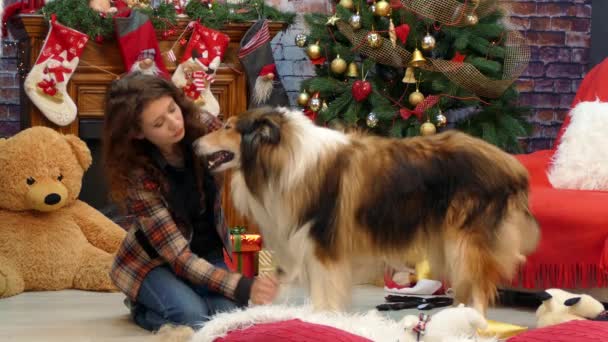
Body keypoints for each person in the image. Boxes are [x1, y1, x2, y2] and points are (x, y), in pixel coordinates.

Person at [102, 72, 279, 331]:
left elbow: (246, 149)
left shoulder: (203, 125)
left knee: (230, 317)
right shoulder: (136, 178)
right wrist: (243, 285)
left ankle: (185, 298)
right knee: (194, 317)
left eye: (173, 109)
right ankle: (140, 307)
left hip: (207, 252)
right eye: (159, 123)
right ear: (139, 133)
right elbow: (179, 258)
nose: (174, 123)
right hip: (155, 263)